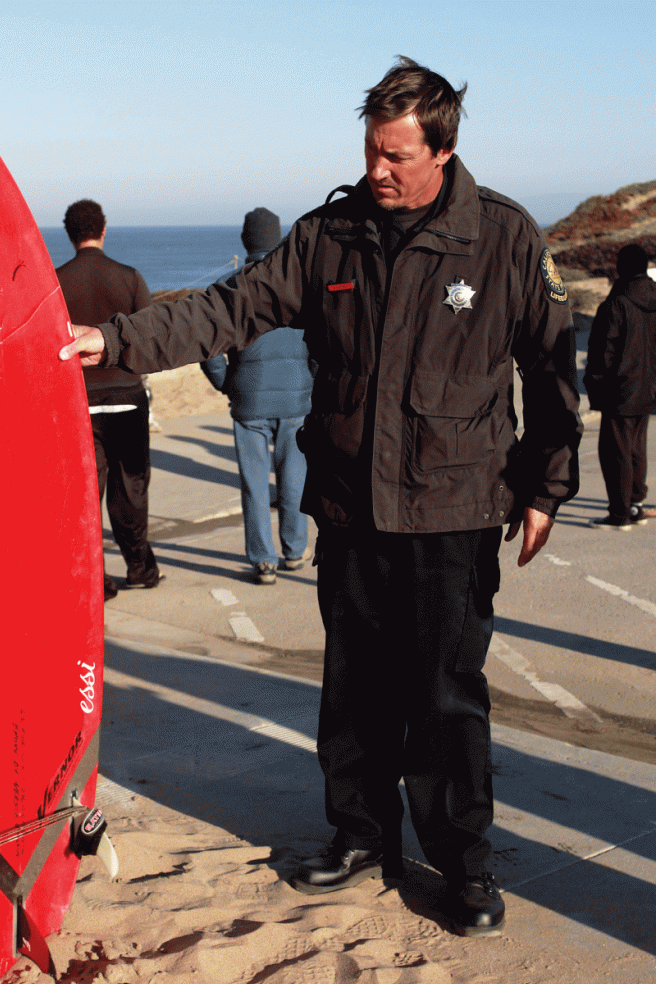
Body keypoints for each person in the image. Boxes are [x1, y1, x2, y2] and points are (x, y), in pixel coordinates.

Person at [60, 58, 582, 937]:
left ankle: (464, 864)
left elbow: (553, 370)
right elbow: (227, 308)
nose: (378, 170)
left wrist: (547, 484)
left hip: (453, 512)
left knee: (447, 700)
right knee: (354, 691)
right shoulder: (327, 235)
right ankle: (361, 834)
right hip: (349, 508)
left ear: (443, 151)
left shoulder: (503, 237)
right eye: (371, 151)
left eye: (396, 156)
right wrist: (111, 340)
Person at [55, 199, 162, 599]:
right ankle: (140, 567)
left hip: (79, 400)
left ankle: (93, 579)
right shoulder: (129, 277)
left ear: (70, 234)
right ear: (103, 230)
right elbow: (150, 334)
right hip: (127, 395)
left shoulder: (55, 282)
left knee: (85, 493)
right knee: (131, 486)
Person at [201, 208, 314, 584]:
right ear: (279, 239)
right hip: (296, 395)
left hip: (248, 397)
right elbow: (321, 340)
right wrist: (311, 379)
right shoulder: (299, 284)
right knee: (294, 477)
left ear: (245, 241)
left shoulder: (227, 286)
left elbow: (208, 347)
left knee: (253, 483)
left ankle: (263, 559)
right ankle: (295, 550)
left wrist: (226, 382)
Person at [584, 244, 656, 530]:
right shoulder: (653, 297)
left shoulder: (617, 304)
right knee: (636, 448)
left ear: (621, 267)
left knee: (616, 452)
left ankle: (619, 514)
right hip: (648, 388)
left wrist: (596, 385)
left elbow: (603, 352)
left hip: (620, 389)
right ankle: (635, 504)